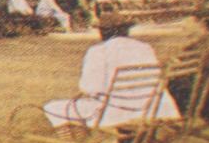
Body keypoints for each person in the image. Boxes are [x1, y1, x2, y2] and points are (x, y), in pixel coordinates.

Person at [42, 15, 179, 127]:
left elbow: (89, 88)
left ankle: (101, 142)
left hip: (118, 110)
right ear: (126, 31)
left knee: (52, 107)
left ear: (103, 32)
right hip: (156, 107)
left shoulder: (99, 51)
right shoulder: (145, 47)